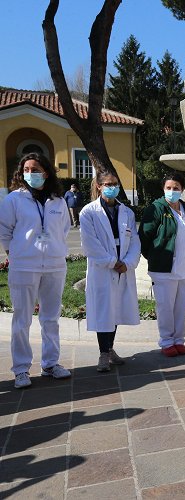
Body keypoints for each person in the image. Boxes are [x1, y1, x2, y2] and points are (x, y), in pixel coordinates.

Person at [0, 153, 72, 389]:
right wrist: (17, 252)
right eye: (26, 169)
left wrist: (54, 250)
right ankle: (21, 369)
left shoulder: (58, 201)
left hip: (54, 265)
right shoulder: (13, 200)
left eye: (35, 169)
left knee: (51, 318)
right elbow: (5, 230)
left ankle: (50, 363)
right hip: (24, 266)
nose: (31, 173)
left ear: (47, 172)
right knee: (22, 319)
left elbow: (63, 230)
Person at [79, 172, 140, 372]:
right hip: (103, 269)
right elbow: (90, 245)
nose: (112, 187)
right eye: (107, 184)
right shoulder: (89, 212)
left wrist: (128, 263)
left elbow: (135, 242)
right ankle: (103, 353)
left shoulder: (127, 212)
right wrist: (112, 262)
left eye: (114, 184)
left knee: (116, 309)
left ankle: (110, 349)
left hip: (123, 267)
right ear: (98, 186)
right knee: (104, 311)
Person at [139, 173, 185, 356]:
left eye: (176, 188)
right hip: (164, 269)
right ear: (163, 189)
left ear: (182, 190)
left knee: (181, 306)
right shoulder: (156, 209)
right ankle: (166, 341)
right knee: (165, 307)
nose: (172, 191)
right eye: (169, 188)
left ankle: (179, 340)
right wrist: (156, 257)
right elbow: (144, 238)